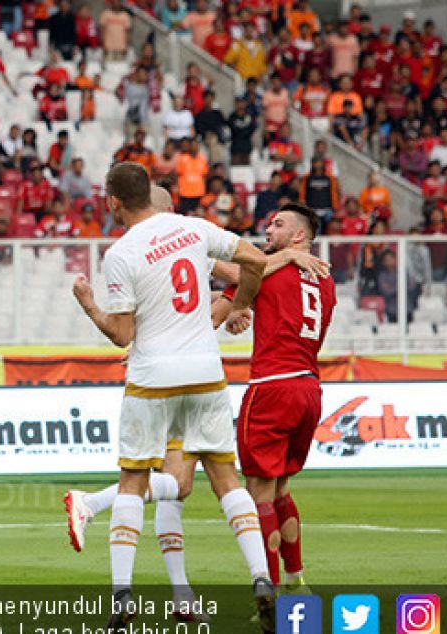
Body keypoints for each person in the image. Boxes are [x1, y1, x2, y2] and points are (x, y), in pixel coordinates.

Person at [63, 163, 275, 631]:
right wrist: (240, 303)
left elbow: (122, 334)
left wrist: (89, 306)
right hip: (204, 372)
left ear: (114, 201)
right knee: (226, 480)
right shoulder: (193, 229)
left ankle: (122, 595)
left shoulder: (121, 253)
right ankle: (261, 578)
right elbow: (256, 261)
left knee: (134, 483)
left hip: (152, 377)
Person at [216, 204, 336, 593]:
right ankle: (296, 581)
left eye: (278, 224)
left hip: (272, 386)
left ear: (299, 236)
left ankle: (265, 585)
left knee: (258, 494)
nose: (268, 229)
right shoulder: (324, 280)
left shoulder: (270, 270)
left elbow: (236, 272)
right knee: (281, 488)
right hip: (308, 388)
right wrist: (238, 301)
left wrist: (193, 253)